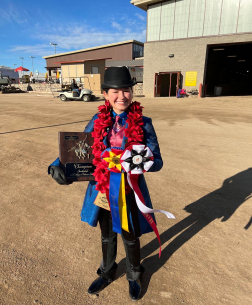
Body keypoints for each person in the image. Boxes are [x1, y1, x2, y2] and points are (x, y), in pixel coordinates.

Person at [48, 67, 172, 301]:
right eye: (116, 91)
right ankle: (107, 272)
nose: (122, 96)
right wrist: (57, 165)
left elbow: (157, 162)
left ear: (132, 93)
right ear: (105, 94)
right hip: (102, 187)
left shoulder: (144, 124)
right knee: (106, 235)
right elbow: (78, 150)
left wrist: (139, 161)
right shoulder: (98, 120)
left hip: (130, 190)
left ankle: (134, 274)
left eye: (126, 91)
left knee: (130, 234)